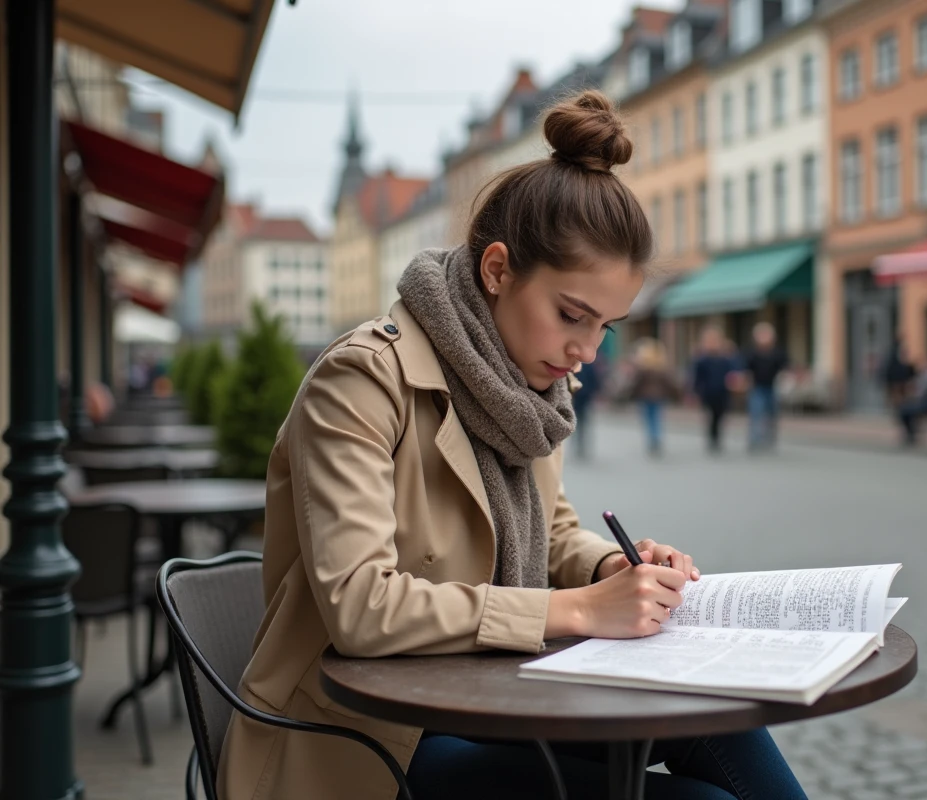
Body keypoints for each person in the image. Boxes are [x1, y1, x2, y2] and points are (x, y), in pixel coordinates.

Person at [218, 91, 807, 800]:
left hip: (494, 693)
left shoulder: (529, 389)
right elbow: (361, 607)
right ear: (497, 270)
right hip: (369, 738)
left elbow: (550, 533)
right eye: (572, 315)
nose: (588, 350)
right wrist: (581, 610)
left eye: (606, 327)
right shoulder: (362, 380)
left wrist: (616, 568)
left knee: (723, 717)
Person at [691, 326, 739, 454]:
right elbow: (697, 377)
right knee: (711, 415)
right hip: (708, 392)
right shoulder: (702, 360)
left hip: (722, 392)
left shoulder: (725, 359)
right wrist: (695, 392)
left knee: (720, 415)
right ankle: (712, 437)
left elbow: (733, 372)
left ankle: (717, 436)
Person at [629, 337, 679, 456]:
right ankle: (656, 436)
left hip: (646, 397)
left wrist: (631, 395)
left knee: (649, 418)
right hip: (659, 397)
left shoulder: (643, 369)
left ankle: (652, 438)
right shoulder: (661, 368)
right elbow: (670, 383)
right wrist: (676, 394)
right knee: (656, 417)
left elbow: (636, 384)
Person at [742, 322, 788, 451]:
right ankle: (755, 440)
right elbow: (745, 369)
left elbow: (785, 368)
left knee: (772, 415)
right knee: (756, 414)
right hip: (757, 388)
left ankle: (769, 439)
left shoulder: (778, 353)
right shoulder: (751, 353)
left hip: (773, 387)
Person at [895, 356, 927, 445]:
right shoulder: (921, 375)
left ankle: (912, 433)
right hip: (920, 402)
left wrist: (914, 392)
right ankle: (910, 433)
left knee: (909, 410)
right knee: (903, 409)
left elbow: (922, 391)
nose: (920, 366)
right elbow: (913, 388)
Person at [571, 352, 605, 460]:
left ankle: (579, 445)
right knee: (582, 422)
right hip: (584, 397)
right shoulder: (588, 365)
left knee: (578, 422)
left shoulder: (575, 365)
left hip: (578, 396)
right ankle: (581, 445)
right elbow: (595, 381)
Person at [880, 334, 914, 409]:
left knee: (896, 394)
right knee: (896, 393)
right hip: (896, 377)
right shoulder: (895, 351)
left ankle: (898, 408)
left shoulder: (892, 350)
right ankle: (898, 408)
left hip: (895, 377)